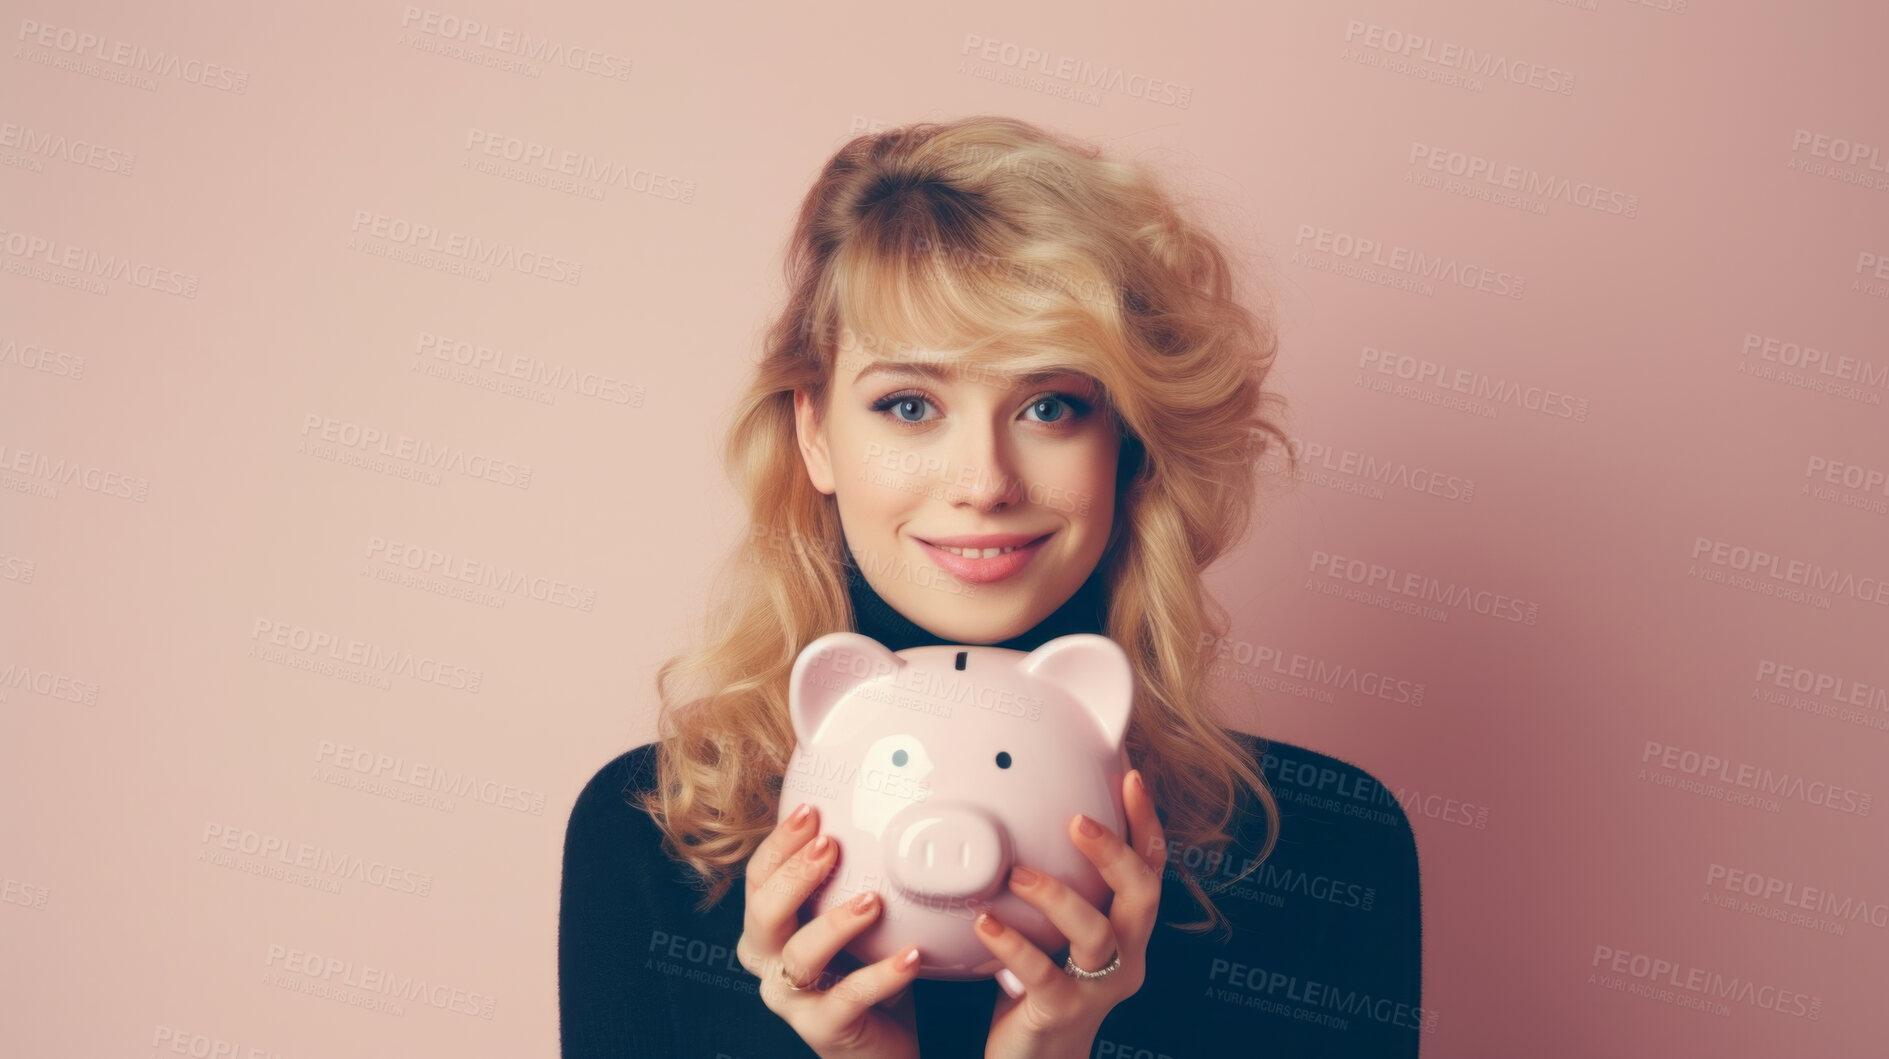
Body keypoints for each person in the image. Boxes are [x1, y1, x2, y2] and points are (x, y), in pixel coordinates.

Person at [559, 116, 1425, 1058]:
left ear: (1126, 442)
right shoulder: (652, 842)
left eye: (1049, 405)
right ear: (814, 432)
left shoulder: (1325, 850)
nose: (984, 481)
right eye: (910, 404)